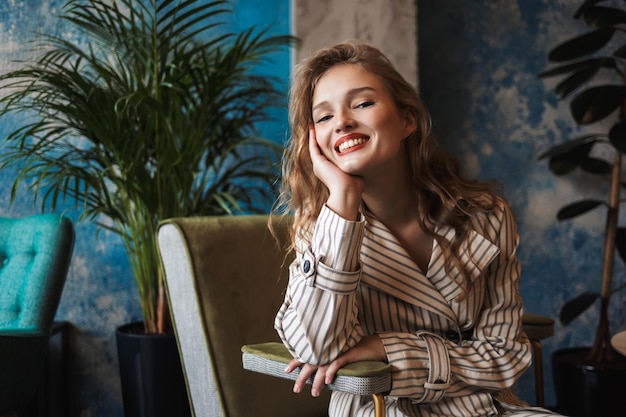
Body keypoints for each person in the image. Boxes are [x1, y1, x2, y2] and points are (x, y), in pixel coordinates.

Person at [273, 41, 560, 417]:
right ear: (316, 144)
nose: (341, 121)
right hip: (384, 409)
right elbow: (315, 350)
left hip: (489, 408)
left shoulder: (486, 217)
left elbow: (505, 356)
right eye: (324, 117)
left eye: (362, 103)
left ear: (407, 120)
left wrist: (387, 347)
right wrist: (343, 199)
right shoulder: (322, 229)